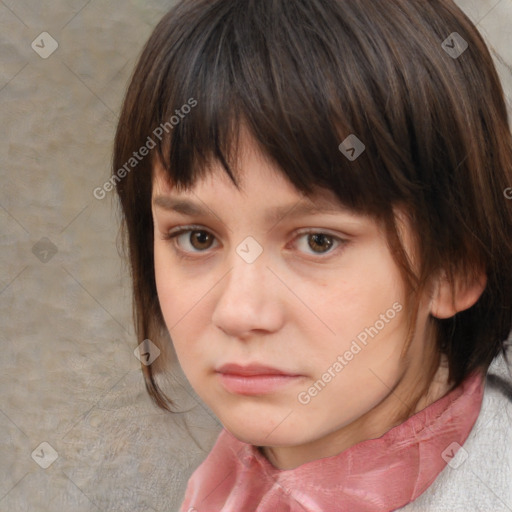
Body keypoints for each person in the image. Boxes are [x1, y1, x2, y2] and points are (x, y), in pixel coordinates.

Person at [112, 0, 512, 510]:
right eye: (197, 237)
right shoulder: (220, 489)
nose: (238, 311)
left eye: (317, 241)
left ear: (454, 264)